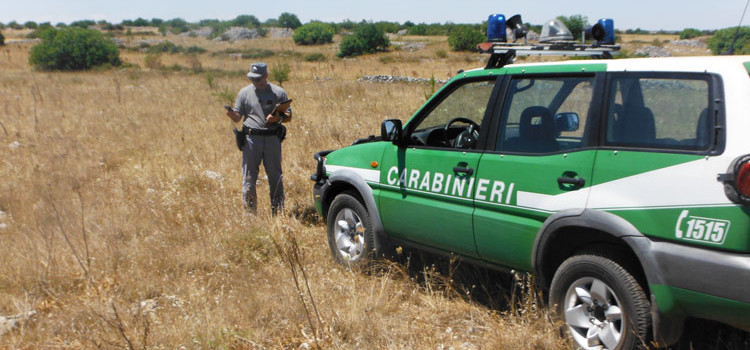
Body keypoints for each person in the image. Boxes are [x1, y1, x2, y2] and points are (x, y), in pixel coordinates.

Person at [225, 62, 292, 214]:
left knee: (275, 176)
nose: (255, 82)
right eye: (252, 79)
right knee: (249, 178)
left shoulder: (278, 92)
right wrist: (231, 114)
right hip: (251, 140)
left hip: (272, 139)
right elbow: (237, 117)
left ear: (266, 76)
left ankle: (278, 212)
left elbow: (288, 116)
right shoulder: (244, 93)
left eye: (258, 79)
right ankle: (250, 213)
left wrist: (277, 119)